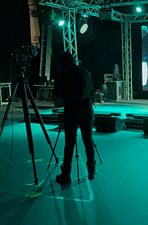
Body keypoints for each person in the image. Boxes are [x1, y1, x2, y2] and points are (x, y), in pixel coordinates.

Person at [54, 51, 96, 185]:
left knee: (69, 142)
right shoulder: (84, 71)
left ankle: (66, 174)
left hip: (72, 110)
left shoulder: (62, 72)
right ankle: (91, 171)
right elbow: (92, 91)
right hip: (87, 109)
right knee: (88, 140)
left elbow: (58, 94)